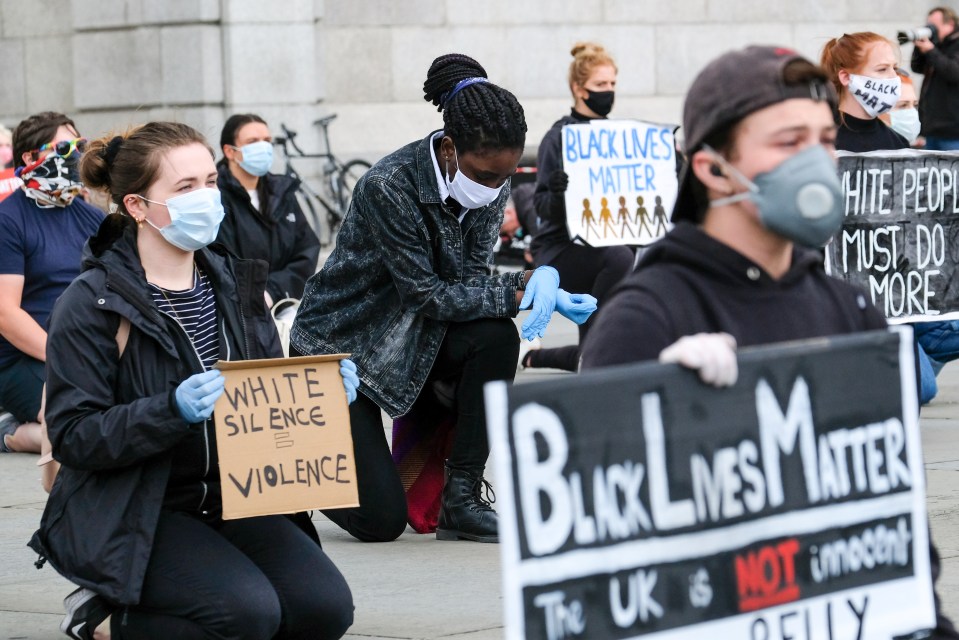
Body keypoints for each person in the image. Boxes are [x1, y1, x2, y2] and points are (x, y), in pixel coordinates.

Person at [580, 44, 959, 640]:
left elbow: (895, 521)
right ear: (709, 167)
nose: (816, 161)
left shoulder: (848, 306)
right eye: (788, 143)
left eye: (823, 140)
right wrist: (647, 408)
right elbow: (599, 559)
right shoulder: (644, 319)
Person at [29, 122, 355, 639]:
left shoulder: (237, 284)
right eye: (184, 188)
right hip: (138, 507)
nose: (206, 197)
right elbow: (73, 435)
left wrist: (320, 393)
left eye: (209, 181)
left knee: (324, 609)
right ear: (137, 207)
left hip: (234, 496)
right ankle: (102, 619)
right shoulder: (91, 302)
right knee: (247, 614)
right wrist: (169, 411)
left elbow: (267, 400)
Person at [291, 53, 596, 544]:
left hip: (414, 336)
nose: (497, 188)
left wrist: (532, 282)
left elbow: (472, 281)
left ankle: (463, 498)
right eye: (487, 176)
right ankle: (302, 466)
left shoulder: (485, 180)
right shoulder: (389, 186)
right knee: (380, 522)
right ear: (450, 148)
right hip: (342, 353)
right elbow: (427, 294)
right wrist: (521, 288)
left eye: (506, 177)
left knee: (495, 337)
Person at [524, 42, 634, 373]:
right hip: (561, 250)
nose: (609, 92)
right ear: (578, 88)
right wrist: (558, 193)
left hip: (605, 245)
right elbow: (541, 206)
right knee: (619, 256)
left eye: (613, 84)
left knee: (624, 254)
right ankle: (592, 352)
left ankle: (565, 355)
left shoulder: (619, 137)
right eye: (601, 85)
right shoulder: (558, 138)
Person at [0, 112, 103, 454]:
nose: (76, 155)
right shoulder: (7, 220)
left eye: (80, 145)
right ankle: (10, 433)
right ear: (30, 157)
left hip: (86, 348)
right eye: (64, 147)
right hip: (23, 358)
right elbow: (5, 313)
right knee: (79, 420)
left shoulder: (92, 217)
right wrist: (64, 354)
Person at [216, 114, 321, 309]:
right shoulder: (216, 198)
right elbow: (222, 262)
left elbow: (307, 249)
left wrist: (273, 291)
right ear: (230, 151)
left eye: (267, 141)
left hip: (285, 305)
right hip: (241, 311)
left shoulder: (282, 192)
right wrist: (255, 295)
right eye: (253, 141)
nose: (263, 147)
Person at [820, 32, 908, 152]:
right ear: (846, 77)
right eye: (882, 69)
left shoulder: (898, 144)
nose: (894, 76)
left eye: (895, 68)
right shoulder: (820, 141)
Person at [912, 6, 959, 150]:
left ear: (950, 24)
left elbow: (954, 72)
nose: (930, 28)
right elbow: (917, 67)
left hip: (953, 132)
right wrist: (919, 48)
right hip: (931, 130)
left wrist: (931, 50)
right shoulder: (937, 44)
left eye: (934, 25)